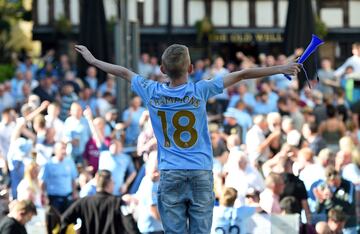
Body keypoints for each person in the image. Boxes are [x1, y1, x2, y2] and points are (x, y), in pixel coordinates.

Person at [75, 44, 300, 233]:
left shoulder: (151, 90)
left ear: (162, 69)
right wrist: (281, 68)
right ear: (191, 68)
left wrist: (93, 60)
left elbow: (123, 72)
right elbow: (242, 74)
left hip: (170, 173)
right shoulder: (200, 89)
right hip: (200, 172)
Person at [60, 170, 139, 234]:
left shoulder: (84, 202)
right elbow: (129, 224)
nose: (114, 184)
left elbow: (63, 220)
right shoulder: (117, 202)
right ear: (109, 183)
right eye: (113, 182)